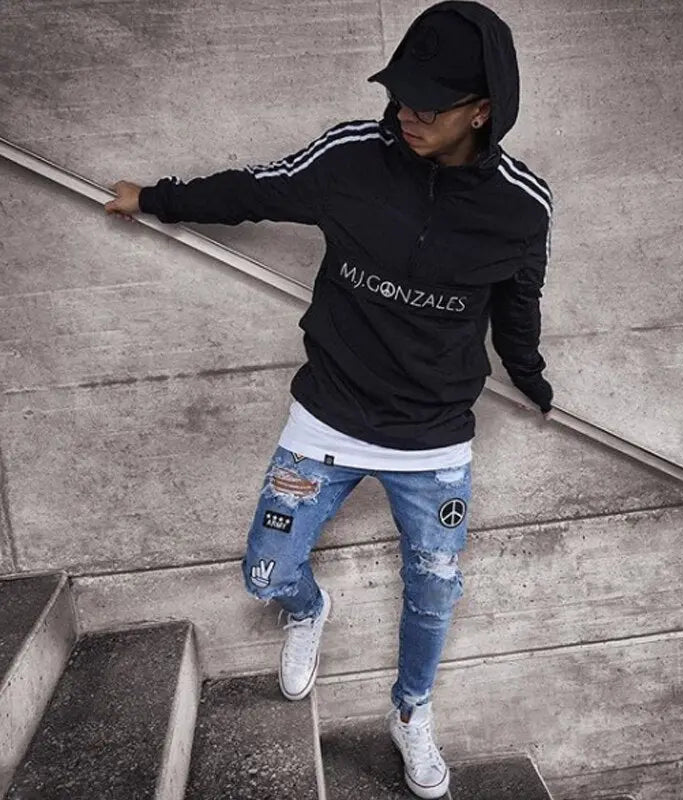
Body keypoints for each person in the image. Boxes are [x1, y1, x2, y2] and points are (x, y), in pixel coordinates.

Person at [104, 2, 552, 797]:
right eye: (401, 95)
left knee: (434, 591)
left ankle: (410, 712)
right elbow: (256, 189)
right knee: (266, 570)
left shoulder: (520, 206)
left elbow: (517, 308)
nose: (406, 113)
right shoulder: (352, 158)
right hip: (328, 420)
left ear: (482, 110)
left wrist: (529, 374)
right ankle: (308, 610)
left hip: (434, 443)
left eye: (429, 105)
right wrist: (156, 197)